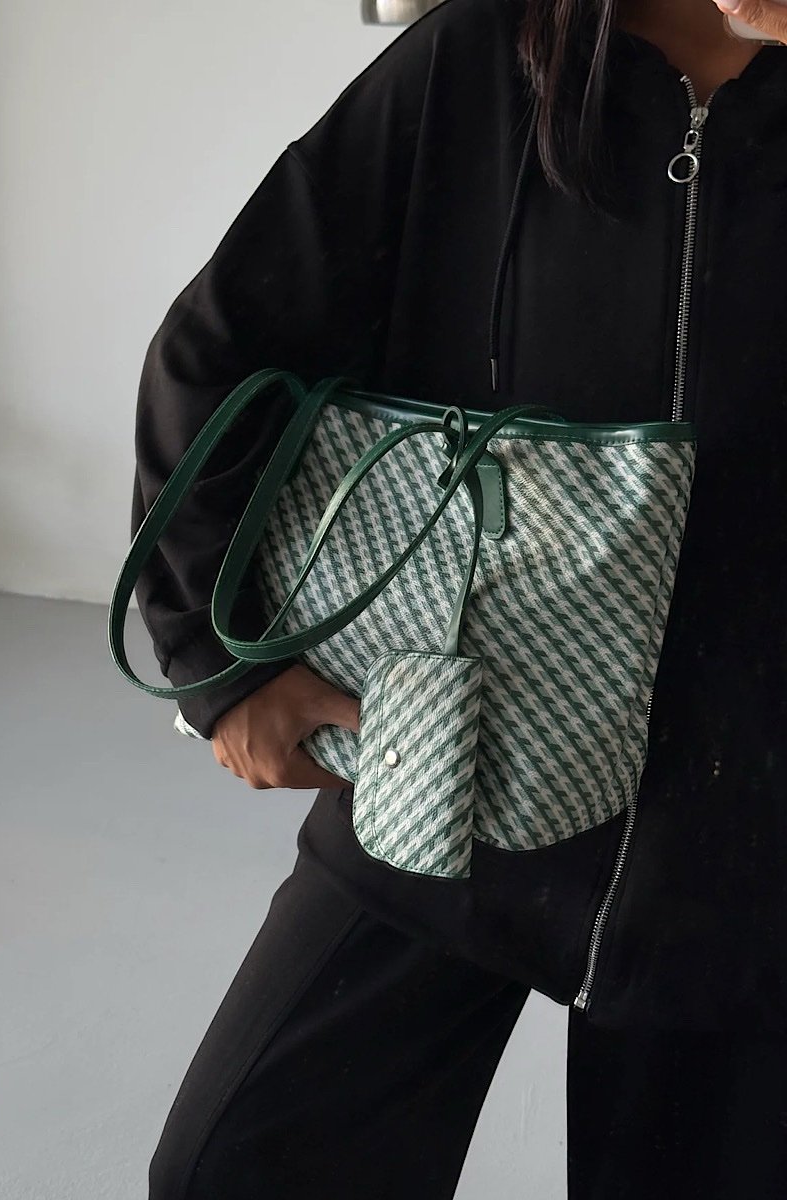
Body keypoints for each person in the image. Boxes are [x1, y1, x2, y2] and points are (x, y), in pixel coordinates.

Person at [129, 1, 787, 1195]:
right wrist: (221, 660)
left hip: (745, 832)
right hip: (446, 748)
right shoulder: (487, 52)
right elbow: (225, 343)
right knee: (239, 1169)